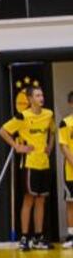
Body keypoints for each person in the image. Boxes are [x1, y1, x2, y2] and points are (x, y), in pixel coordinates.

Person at [0, 86, 56, 251]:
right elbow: (3, 131)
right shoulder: (23, 116)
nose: (41, 98)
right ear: (30, 99)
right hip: (29, 163)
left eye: (42, 94)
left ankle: (38, 237)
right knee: (29, 199)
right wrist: (17, 146)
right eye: (37, 95)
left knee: (41, 200)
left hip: (44, 163)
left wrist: (49, 147)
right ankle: (24, 237)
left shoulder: (49, 114)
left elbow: (52, 131)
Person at [60, 92, 73, 249]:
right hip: (70, 171)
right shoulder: (65, 123)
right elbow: (63, 146)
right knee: (71, 203)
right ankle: (71, 235)